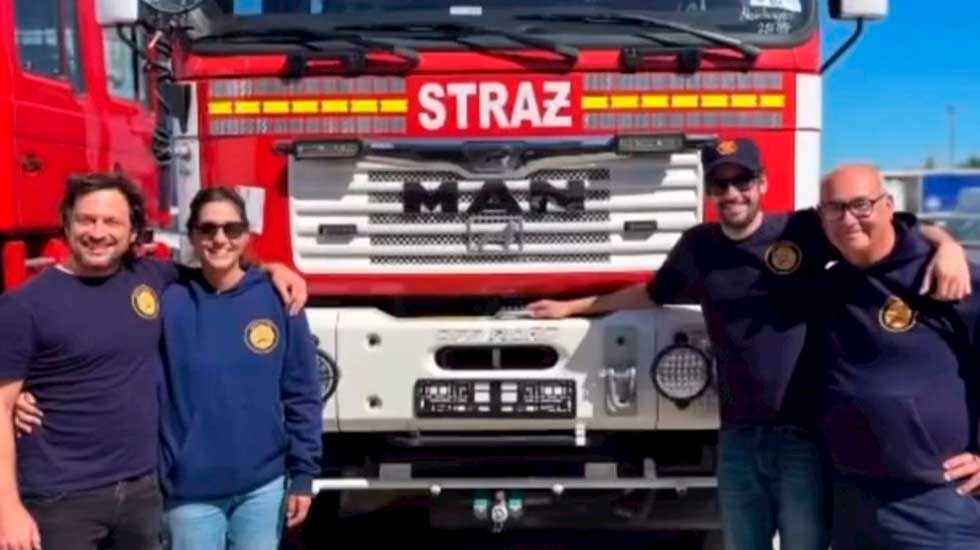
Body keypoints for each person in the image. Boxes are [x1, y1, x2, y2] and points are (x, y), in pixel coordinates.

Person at [526, 139, 970, 550]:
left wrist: (946, 244)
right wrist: (573, 307)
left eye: (743, 181)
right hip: (737, 438)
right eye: (721, 183)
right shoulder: (698, 247)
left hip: (802, 438)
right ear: (708, 191)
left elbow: (883, 225)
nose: (733, 192)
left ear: (762, 185)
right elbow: (650, 294)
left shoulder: (801, 230)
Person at [0, 173, 307, 550]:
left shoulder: (154, 278)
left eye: (111, 221)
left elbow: (223, 269)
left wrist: (273, 269)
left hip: (142, 493)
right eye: (86, 220)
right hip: (61, 501)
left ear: (133, 233)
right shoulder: (24, 306)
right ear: (66, 224)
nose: (98, 232)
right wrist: (7, 508)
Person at [812, 164, 980, 550]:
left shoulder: (946, 277)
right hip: (851, 500)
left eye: (861, 205)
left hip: (935, 503)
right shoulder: (831, 282)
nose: (848, 219)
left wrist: (946, 244)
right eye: (835, 209)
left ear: (888, 206)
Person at [157, 187, 321, 549]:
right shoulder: (168, 300)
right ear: (193, 235)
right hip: (189, 491)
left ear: (247, 234)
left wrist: (303, 474)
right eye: (208, 229)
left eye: (232, 229)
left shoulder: (280, 299)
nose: (220, 239)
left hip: (262, 488)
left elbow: (302, 393)